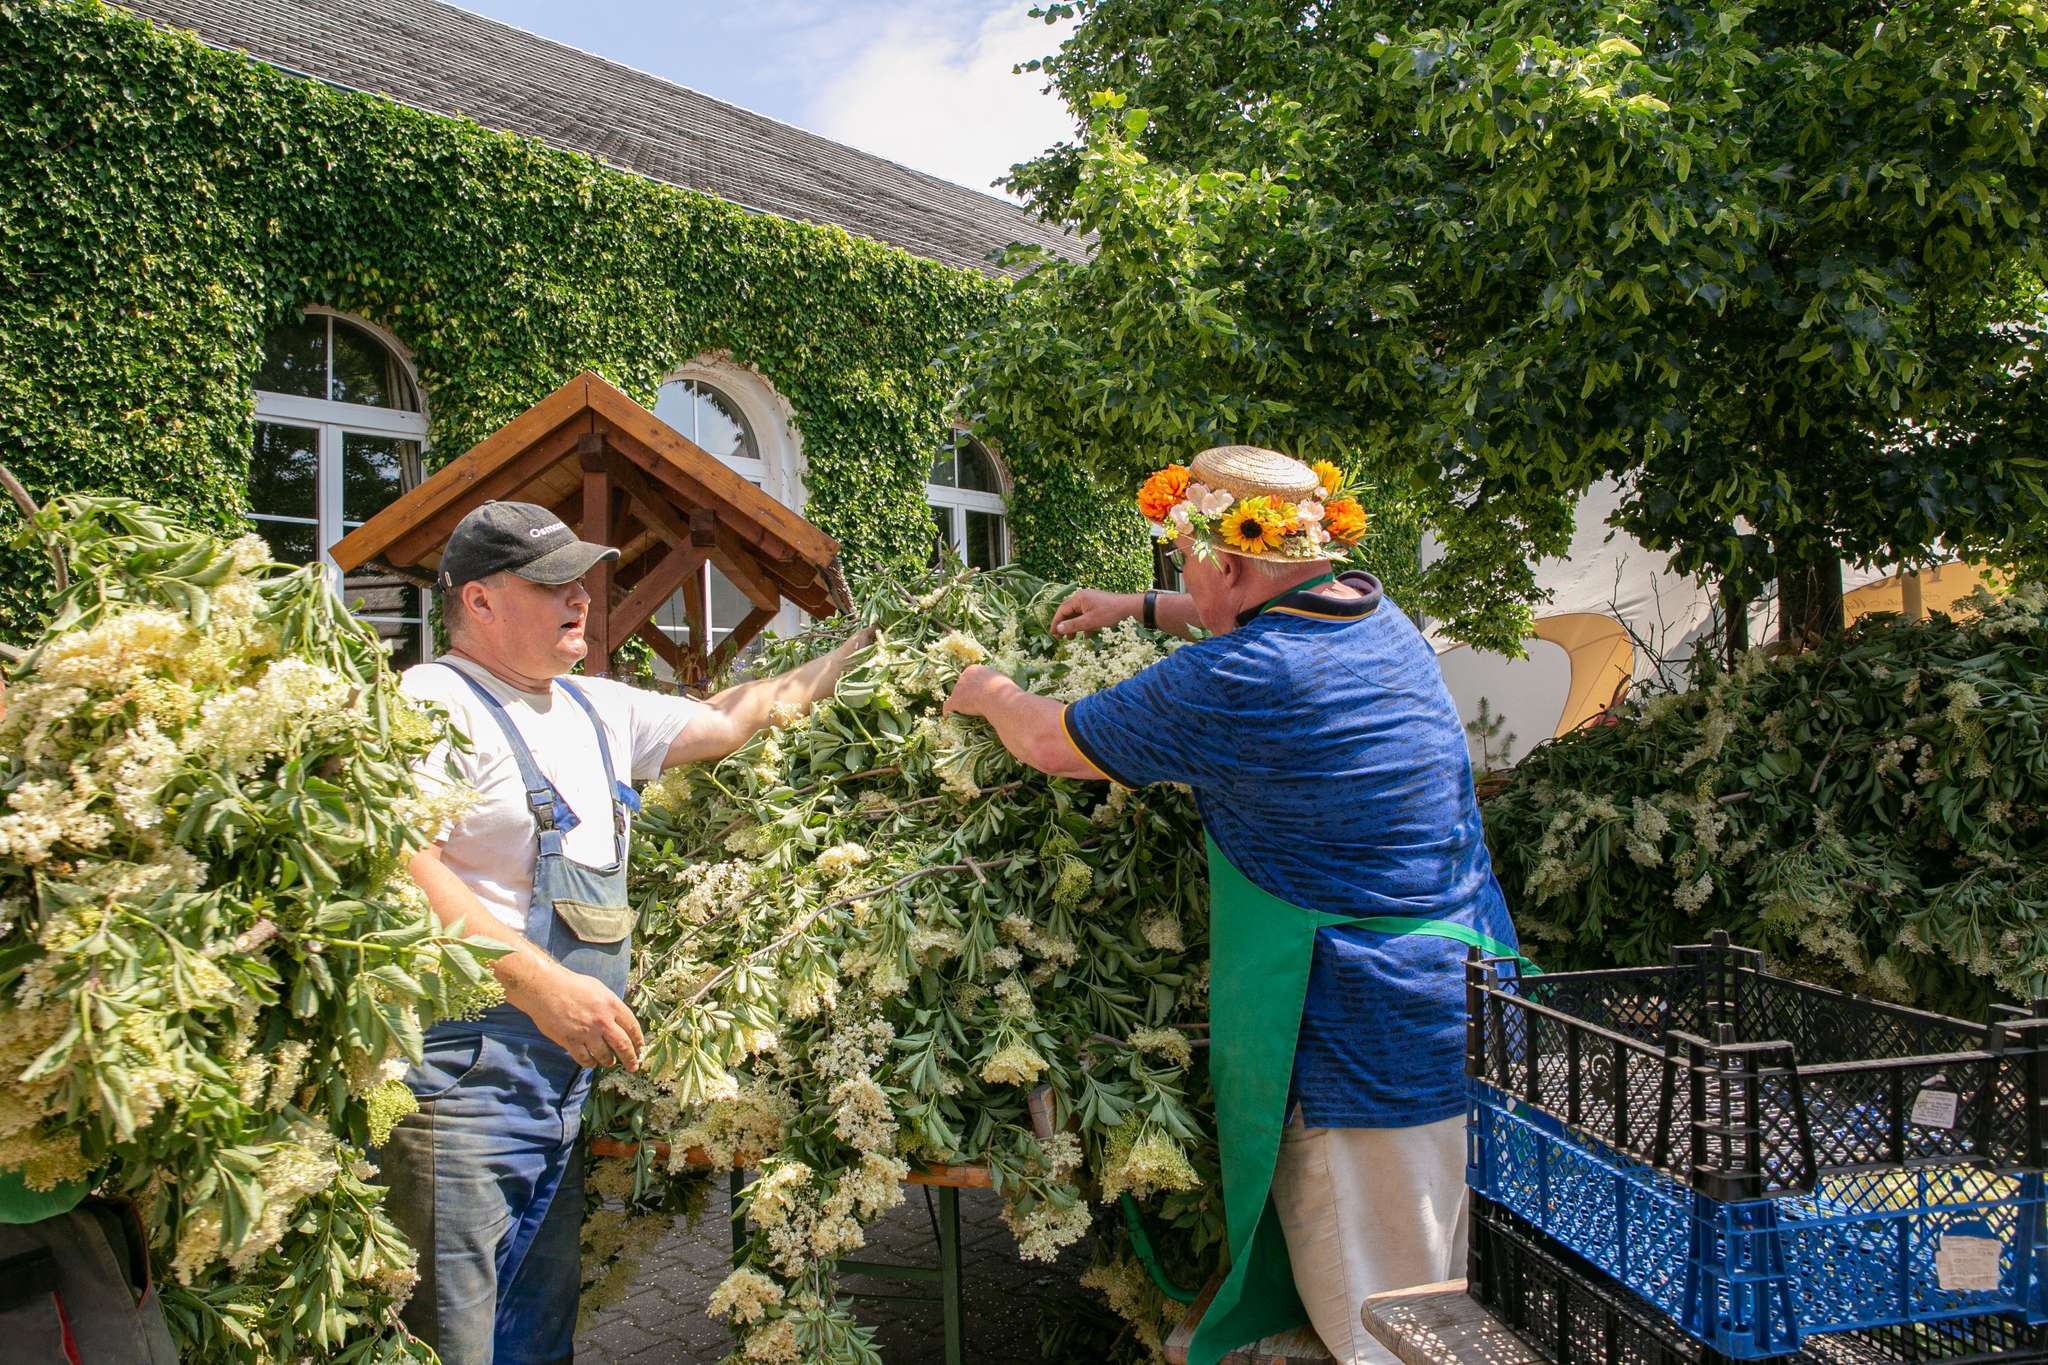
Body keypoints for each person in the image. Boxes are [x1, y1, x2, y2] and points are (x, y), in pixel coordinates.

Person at [944, 446, 1526, 1365]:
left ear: (1233, 564)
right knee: (1454, 1298)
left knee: (1393, 1332)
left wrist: (990, 692)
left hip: (1368, 1051)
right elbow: (1253, 609)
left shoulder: (1237, 682)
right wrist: (1136, 607)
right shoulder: (1381, 616)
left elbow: (1053, 741)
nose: (1180, 579)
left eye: (1183, 565)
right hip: (1474, 1001)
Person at [383, 500, 871, 1365]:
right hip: (464, 1080)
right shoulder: (431, 699)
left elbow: (734, 715)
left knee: (535, 1335)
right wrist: (541, 985)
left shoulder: (592, 706)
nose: (579, 597)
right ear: (481, 602)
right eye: (550, 583)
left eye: (580, 579)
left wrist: (861, 651)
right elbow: (394, 858)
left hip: (562, 1081)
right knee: (445, 1340)